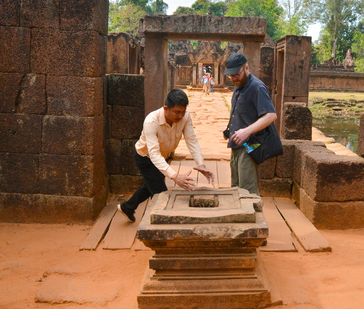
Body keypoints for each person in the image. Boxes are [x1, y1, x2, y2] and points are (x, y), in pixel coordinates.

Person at [118, 88, 215, 222]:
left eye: (183, 111)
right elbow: (154, 154)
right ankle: (161, 225)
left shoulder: (185, 117)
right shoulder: (151, 121)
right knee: (162, 195)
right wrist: (175, 177)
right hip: (145, 158)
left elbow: (191, 140)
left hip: (163, 157)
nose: (180, 116)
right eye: (177, 112)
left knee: (151, 184)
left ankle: (128, 207)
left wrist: (201, 164)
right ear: (166, 108)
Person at [223, 53, 277, 195]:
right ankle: (239, 216)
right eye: (231, 76)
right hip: (236, 144)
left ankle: (254, 216)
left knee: (247, 190)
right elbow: (241, 112)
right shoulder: (238, 86)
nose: (234, 78)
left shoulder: (257, 87)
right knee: (235, 187)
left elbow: (271, 115)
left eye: (236, 74)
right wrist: (230, 128)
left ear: (246, 68)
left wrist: (246, 131)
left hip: (250, 145)